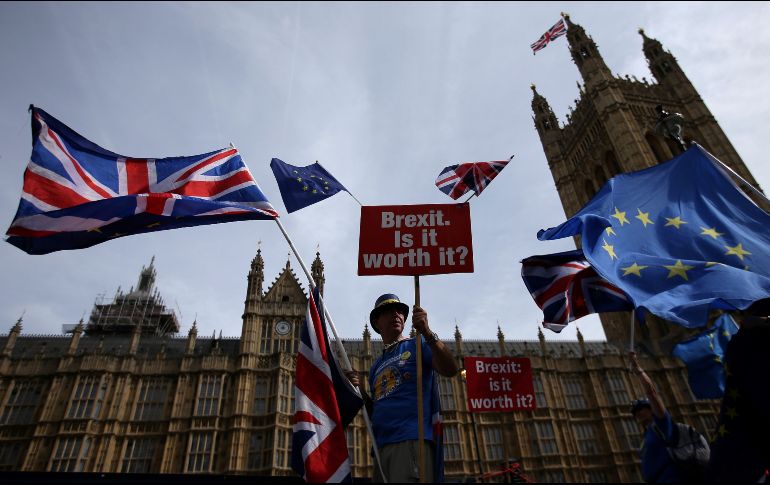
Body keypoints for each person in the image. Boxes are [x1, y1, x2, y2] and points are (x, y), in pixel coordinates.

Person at [348, 293, 458, 483]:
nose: (396, 314)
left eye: (399, 311)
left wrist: (427, 332)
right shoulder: (375, 366)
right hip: (381, 448)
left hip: (410, 440)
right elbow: (375, 411)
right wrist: (360, 390)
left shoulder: (417, 344)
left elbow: (451, 369)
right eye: (388, 311)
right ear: (376, 322)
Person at [629, 351, 681, 483]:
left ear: (652, 410)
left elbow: (652, 394)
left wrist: (639, 371)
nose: (639, 413)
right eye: (636, 412)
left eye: (643, 409)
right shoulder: (646, 437)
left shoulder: (661, 425)